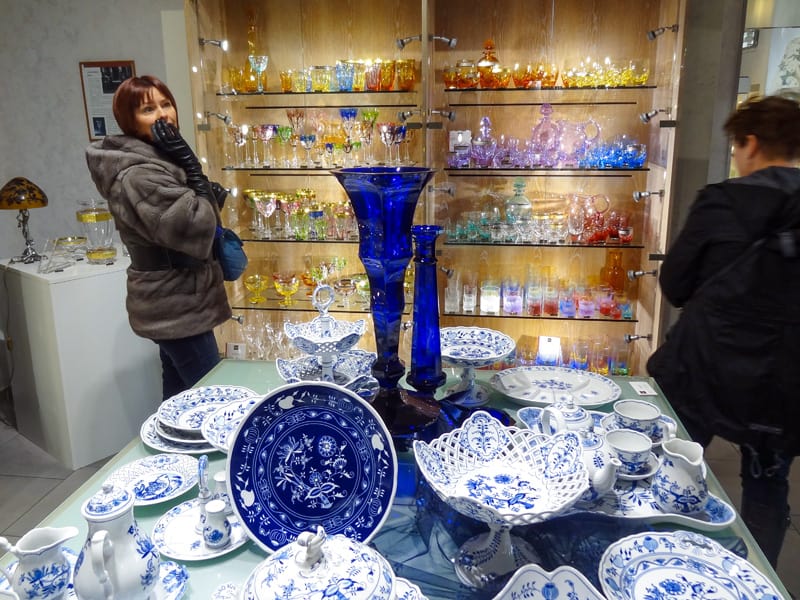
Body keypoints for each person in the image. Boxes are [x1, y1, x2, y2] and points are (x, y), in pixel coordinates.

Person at [647, 94, 800, 567]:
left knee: (674, 464)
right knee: (767, 485)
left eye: (737, 146)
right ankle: (753, 579)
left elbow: (674, 283)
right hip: (782, 380)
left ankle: (657, 562)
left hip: (706, 368)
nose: (736, 156)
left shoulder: (722, 202)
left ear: (751, 143)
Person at [85, 75, 232, 400]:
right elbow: (195, 225)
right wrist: (193, 166)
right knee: (211, 398)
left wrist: (195, 180)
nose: (164, 114)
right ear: (128, 120)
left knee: (179, 395)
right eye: (148, 109)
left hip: (180, 297)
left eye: (166, 104)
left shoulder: (158, 160)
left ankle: (168, 450)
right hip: (175, 303)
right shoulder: (139, 174)